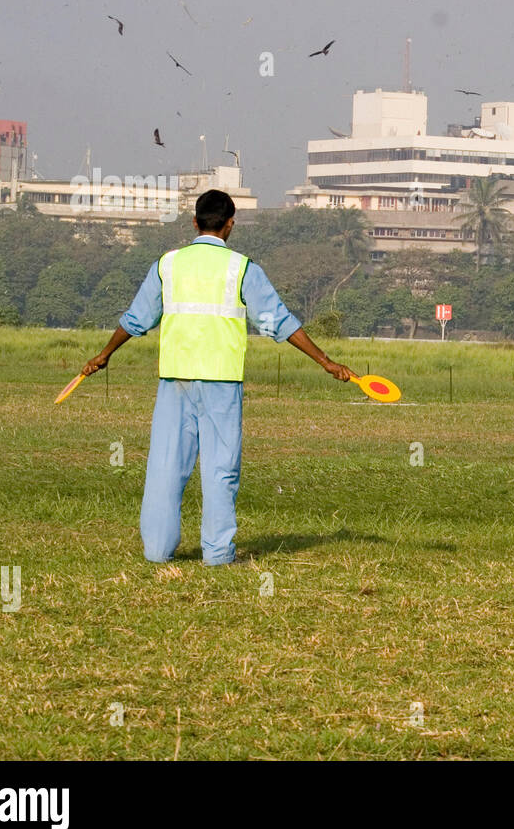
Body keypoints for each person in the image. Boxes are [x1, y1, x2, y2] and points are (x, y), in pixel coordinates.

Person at [79, 190, 354, 565]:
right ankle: (218, 555)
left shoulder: (167, 264)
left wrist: (104, 354)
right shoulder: (242, 269)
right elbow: (280, 322)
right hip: (221, 383)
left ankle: (157, 551)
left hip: (174, 381)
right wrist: (326, 361)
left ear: (194, 223)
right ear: (230, 225)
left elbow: (136, 319)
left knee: (164, 466)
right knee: (220, 469)